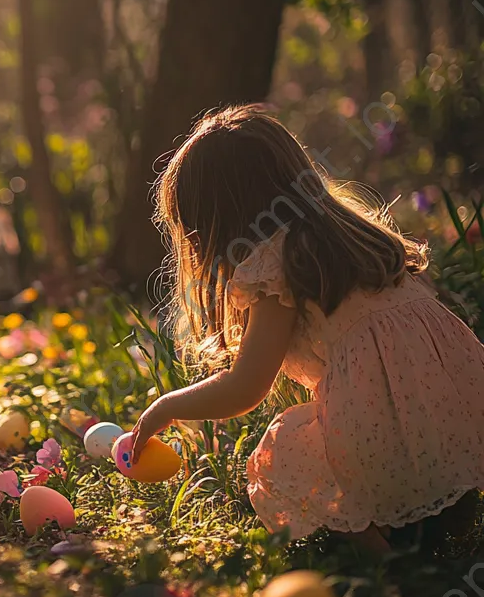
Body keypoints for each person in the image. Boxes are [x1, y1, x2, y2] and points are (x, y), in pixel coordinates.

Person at [128, 105, 484, 554]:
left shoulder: (279, 264)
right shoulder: (355, 237)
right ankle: (421, 521)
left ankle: (382, 562)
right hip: (460, 425)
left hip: (391, 441)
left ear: (224, 221)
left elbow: (245, 387)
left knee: (282, 457)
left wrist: (165, 407)